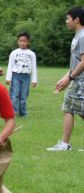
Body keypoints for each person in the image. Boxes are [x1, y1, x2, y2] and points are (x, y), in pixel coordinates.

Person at [48, 7, 84, 151]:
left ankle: (64, 144)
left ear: (76, 20)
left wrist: (70, 78)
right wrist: (65, 77)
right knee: (80, 110)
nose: (66, 21)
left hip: (80, 80)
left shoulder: (82, 36)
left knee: (68, 108)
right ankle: (64, 143)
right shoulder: (77, 36)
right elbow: (76, 61)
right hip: (77, 79)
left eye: (68, 18)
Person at [6, 31, 37, 117]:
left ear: (28, 42)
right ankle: (14, 112)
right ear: (18, 42)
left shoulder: (31, 54)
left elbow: (34, 67)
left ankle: (23, 113)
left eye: (24, 41)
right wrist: (8, 78)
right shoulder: (14, 53)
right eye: (21, 41)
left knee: (23, 96)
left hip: (26, 77)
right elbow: (10, 66)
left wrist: (34, 80)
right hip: (16, 76)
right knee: (14, 95)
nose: (22, 43)